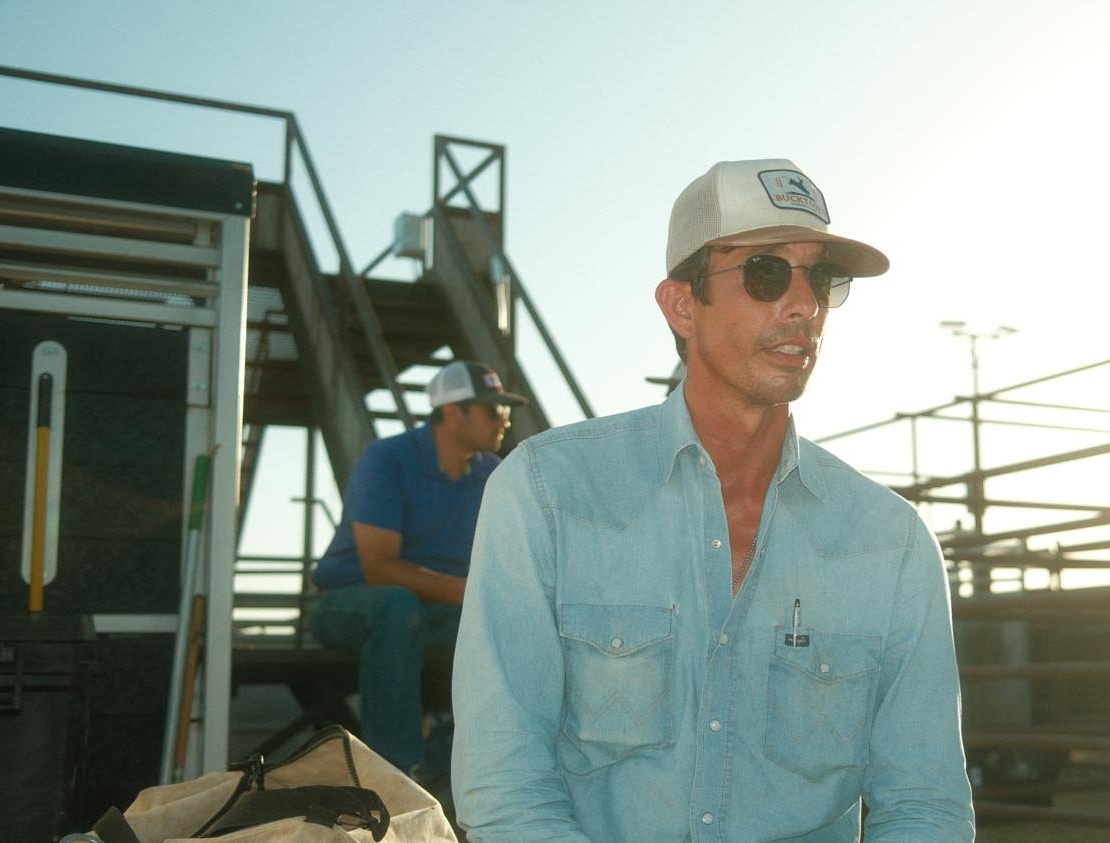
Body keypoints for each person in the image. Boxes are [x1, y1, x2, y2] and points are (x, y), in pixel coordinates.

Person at [453, 159, 975, 840]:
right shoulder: (547, 495)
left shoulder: (892, 542)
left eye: (820, 278)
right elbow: (504, 786)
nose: (803, 305)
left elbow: (926, 806)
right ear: (681, 305)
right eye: (765, 272)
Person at [310, 360, 526, 777]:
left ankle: (483, 762)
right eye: (493, 409)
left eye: (506, 409)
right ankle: (395, 774)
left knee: (521, 620)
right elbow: (379, 569)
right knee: (396, 605)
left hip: (428, 611)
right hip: (348, 605)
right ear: (451, 413)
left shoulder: (492, 474)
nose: (505, 419)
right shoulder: (386, 460)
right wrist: (476, 593)